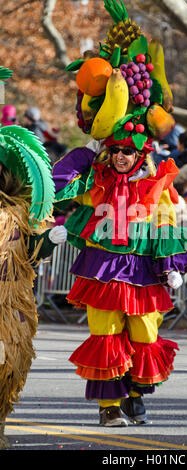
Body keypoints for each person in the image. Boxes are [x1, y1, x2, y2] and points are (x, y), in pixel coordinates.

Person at [52, 0, 187, 428]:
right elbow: (56, 182)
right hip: (101, 268)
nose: (120, 156)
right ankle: (107, 409)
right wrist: (84, 154)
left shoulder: (153, 180)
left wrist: (171, 264)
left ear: (141, 151)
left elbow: (164, 225)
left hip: (142, 269)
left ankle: (136, 396)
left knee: (144, 335)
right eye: (115, 149)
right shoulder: (94, 175)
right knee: (105, 335)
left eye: (128, 150)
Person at [0, 121, 67, 449]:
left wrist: (49, 240)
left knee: (10, 363)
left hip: (12, 300)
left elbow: (32, 251)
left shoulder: (22, 212)